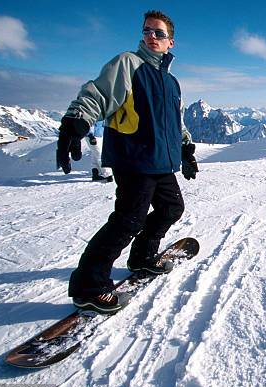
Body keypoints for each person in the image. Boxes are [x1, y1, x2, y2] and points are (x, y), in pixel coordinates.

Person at [56, 10, 199, 314]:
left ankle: (143, 257)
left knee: (172, 208)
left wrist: (185, 147)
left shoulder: (171, 82)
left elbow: (176, 121)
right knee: (128, 219)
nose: (151, 36)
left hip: (160, 160)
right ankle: (89, 286)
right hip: (133, 158)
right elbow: (99, 93)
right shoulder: (128, 64)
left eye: (158, 33)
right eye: (147, 31)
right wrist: (77, 119)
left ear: (170, 41)